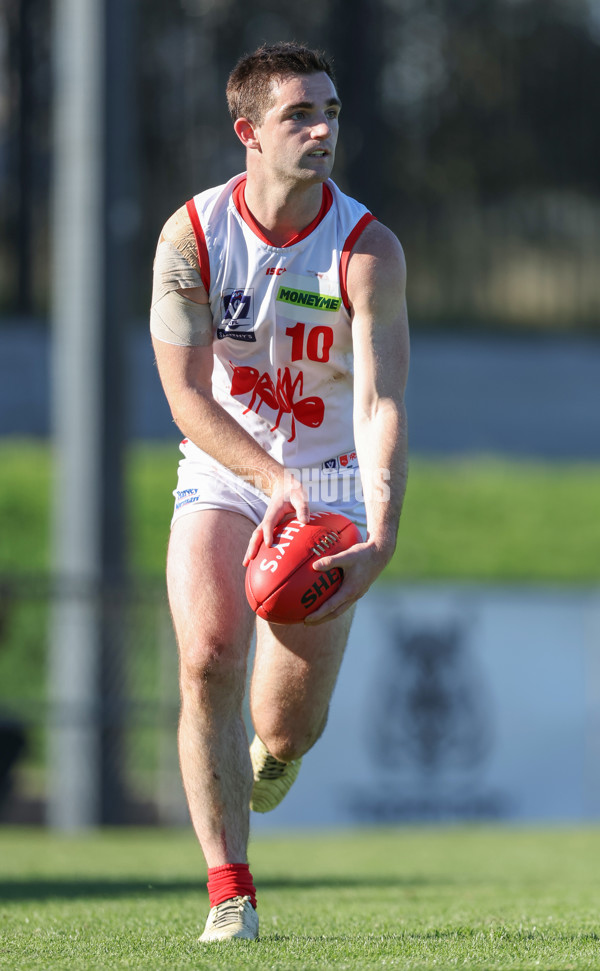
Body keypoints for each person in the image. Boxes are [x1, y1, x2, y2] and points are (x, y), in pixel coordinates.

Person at [150, 41, 409, 943]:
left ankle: (273, 755)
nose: (323, 129)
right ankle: (231, 893)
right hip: (228, 468)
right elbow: (185, 395)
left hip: (333, 485)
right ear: (248, 131)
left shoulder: (368, 249)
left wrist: (378, 536)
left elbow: (380, 401)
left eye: (331, 112)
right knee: (208, 656)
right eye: (300, 114)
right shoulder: (191, 236)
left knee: (285, 730)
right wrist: (269, 478)